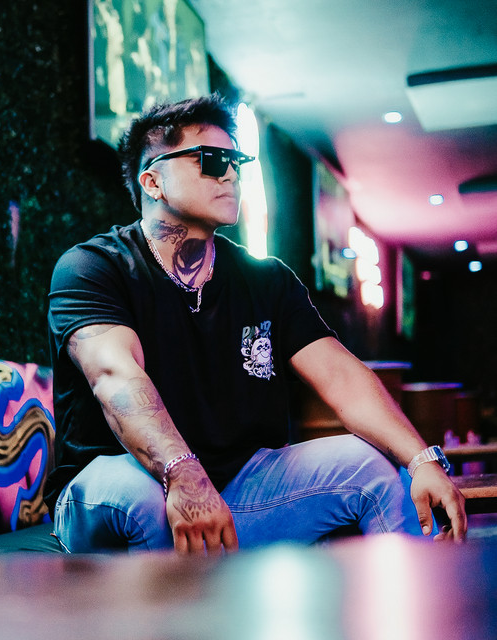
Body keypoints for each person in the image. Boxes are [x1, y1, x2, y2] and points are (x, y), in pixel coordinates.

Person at [44, 93, 466, 554]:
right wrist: (183, 475)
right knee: (146, 497)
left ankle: (415, 597)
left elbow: (340, 375)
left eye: (235, 162)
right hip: (111, 483)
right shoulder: (93, 267)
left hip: (238, 485)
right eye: (209, 160)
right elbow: (116, 377)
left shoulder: (267, 279)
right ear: (153, 181)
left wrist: (422, 459)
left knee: (372, 467)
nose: (229, 174)